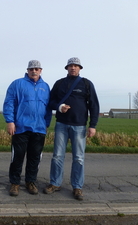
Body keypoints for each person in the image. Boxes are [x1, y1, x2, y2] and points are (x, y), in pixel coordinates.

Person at [43, 57, 99, 200]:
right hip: (61, 124)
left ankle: (77, 187)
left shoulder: (86, 84)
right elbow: (50, 102)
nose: (73, 68)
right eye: (70, 66)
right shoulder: (60, 83)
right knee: (57, 156)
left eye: (76, 66)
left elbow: (94, 105)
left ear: (80, 68)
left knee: (79, 158)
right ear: (66, 68)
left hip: (79, 126)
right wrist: (59, 107)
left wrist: (92, 125)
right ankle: (55, 183)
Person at [3, 60, 52, 196]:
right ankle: (15, 183)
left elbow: (48, 108)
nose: (34, 71)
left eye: (36, 69)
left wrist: (46, 123)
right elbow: (9, 103)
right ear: (27, 70)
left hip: (39, 128)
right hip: (21, 127)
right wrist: (10, 121)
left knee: (35, 157)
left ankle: (30, 182)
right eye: (31, 69)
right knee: (17, 157)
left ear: (41, 70)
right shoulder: (17, 84)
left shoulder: (45, 86)